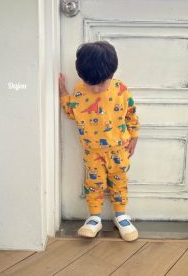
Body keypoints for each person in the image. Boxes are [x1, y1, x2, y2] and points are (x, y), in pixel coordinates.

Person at [59, 41, 140, 241]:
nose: (95, 90)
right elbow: (71, 111)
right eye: (89, 84)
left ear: (111, 75)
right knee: (94, 184)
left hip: (119, 149)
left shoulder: (121, 90)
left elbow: (131, 114)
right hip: (92, 152)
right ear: (82, 77)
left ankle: (121, 216)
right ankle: (94, 218)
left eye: (100, 84)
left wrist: (134, 136)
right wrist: (62, 91)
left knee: (119, 182)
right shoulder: (79, 91)